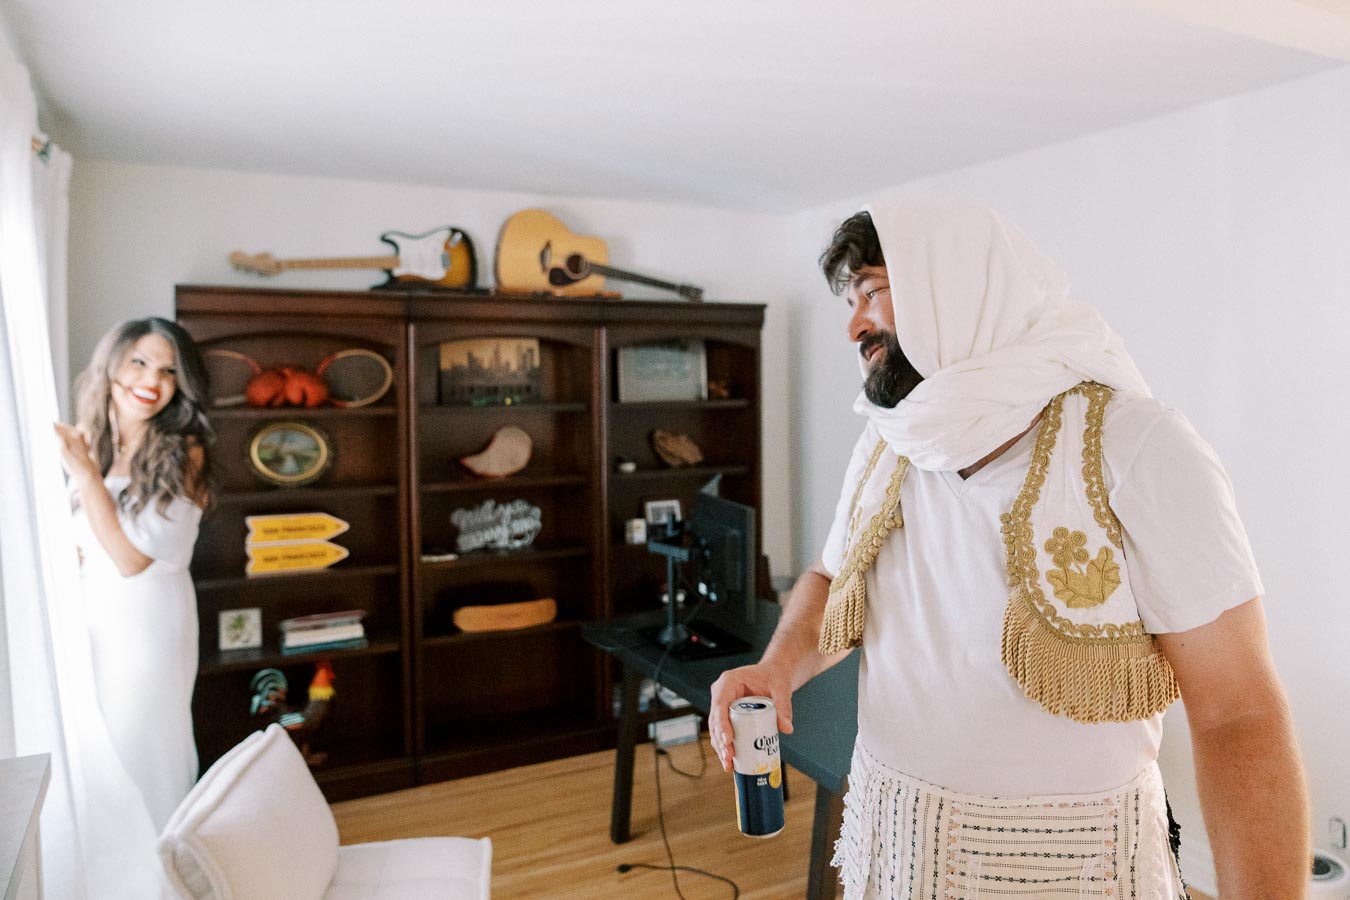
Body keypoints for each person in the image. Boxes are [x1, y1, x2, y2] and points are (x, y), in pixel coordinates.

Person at [709, 200, 1308, 898]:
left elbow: (1239, 714)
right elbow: (829, 575)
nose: (854, 326)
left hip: (1078, 872)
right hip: (894, 854)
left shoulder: (1137, 446)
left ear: (953, 285)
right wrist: (778, 666)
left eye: (871, 290)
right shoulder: (887, 440)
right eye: (850, 300)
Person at [54, 317, 213, 831]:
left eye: (169, 370)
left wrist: (84, 476)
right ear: (111, 366)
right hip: (91, 617)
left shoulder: (183, 452)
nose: (153, 380)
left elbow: (130, 559)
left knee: (142, 747)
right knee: (95, 752)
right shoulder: (92, 444)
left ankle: (160, 872)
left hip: (147, 624)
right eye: (140, 362)